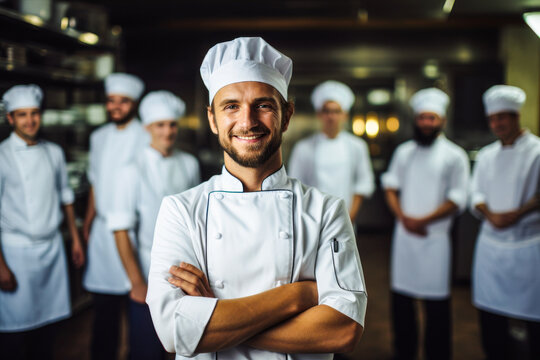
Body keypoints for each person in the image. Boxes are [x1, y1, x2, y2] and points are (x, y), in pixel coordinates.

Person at [146, 37, 367, 360]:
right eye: (231, 106)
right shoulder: (180, 210)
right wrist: (297, 296)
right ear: (212, 119)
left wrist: (212, 319)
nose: (247, 121)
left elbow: (343, 329)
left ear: (287, 115)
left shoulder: (326, 210)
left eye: (263, 105)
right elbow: (173, 331)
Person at [108, 90, 200, 359]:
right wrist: (137, 282)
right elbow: (121, 230)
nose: (168, 131)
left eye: (172, 124)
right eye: (160, 125)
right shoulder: (131, 170)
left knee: (185, 349)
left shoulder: (189, 163)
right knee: (146, 350)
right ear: (148, 127)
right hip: (149, 275)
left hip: (186, 273)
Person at [381, 88, 469, 360]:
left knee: (437, 306)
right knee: (402, 303)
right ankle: (403, 352)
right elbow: (390, 186)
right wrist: (403, 217)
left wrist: (423, 220)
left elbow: (458, 198)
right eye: (422, 118)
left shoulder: (455, 155)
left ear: (441, 120)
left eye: (432, 118)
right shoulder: (404, 152)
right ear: (416, 120)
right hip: (405, 236)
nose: (427, 123)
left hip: (435, 238)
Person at [0, 84, 84, 359]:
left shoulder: (54, 152)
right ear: (10, 118)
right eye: (22, 115)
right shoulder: (2, 156)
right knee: (14, 334)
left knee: (48, 332)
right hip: (16, 254)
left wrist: (75, 238)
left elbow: (65, 196)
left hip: (52, 250)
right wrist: (0, 266)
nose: (30, 120)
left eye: (34, 113)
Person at [470, 85, 540, 360]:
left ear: (516, 116)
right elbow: (474, 193)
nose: (497, 124)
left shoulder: (537, 151)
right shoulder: (487, 155)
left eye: (503, 117)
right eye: (493, 119)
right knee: (491, 322)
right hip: (490, 248)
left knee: (535, 323)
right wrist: (491, 214)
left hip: (529, 246)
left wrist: (520, 211)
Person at [82, 73, 148, 360]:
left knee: (139, 309)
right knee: (104, 313)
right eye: (111, 101)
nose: (116, 107)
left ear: (134, 104)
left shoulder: (147, 135)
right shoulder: (98, 138)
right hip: (101, 234)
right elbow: (96, 184)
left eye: (123, 101)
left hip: (136, 233)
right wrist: (86, 225)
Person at [288, 80, 374, 221]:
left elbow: (363, 184)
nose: (331, 116)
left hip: (346, 216)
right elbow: (296, 186)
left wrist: (348, 218)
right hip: (313, 218)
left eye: (336, 111)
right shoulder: (303, 148)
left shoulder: (357, 146)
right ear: (319, 114)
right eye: (326, 111)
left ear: (344, 115)